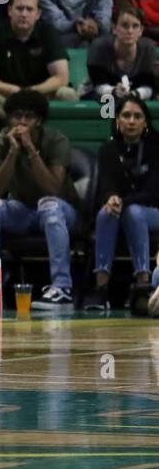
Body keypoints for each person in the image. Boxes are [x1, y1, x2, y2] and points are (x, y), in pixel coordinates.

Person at [0, 89, 81, 308]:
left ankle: (62, 288)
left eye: (29, 117)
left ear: (39, 121)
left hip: (62, 211)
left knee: (48, 204)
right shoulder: (0, 141)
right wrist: (13, 153)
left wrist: (31, 149)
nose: (21, 122)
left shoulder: (56, 140)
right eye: (17, 116)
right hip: (23, 210)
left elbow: (52, 187)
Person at [84, 94, 159, 310]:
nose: (131, 121)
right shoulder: (108, 150)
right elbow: (106, 185)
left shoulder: (156, 147)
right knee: (106, 213)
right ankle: (101, 288)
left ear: (146, 122)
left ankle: (143, 284)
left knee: (133, 212)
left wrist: (122, 201)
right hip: (123, 210)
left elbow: (154, 192)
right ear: (117, 120)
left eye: (137, 116)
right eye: (126, 115)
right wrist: (111, 198)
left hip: (153, 211)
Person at [0, 0, 77, 127]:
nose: (24, 14)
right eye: (19, 8)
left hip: (40, 96)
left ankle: (63, 145)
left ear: (38, 14)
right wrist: (12, 90)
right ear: (9, 11)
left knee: (67, 94)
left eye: (29, 9)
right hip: (6, 97)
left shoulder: (49, 32)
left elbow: (61, 77)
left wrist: (31, 92)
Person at [84, 5, 155, 100]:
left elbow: (148, 86)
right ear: (114, 28)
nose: (130, 31)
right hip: (96, 95)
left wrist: (136, 94)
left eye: (135, 26)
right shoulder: (99, 47)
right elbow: (97, 85)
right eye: (124, 25)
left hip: (136, 97)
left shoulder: (148, 48)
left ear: (141, 30)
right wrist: (113, 91)